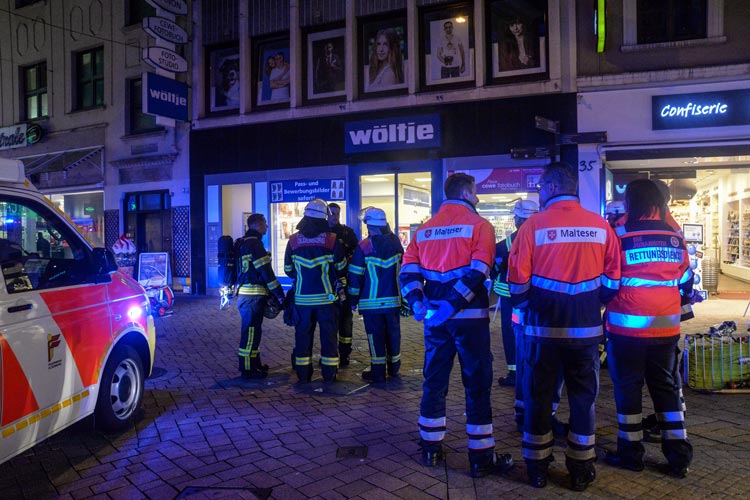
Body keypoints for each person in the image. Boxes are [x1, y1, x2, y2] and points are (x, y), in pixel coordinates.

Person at [508, 162, 620, 491]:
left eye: (541, 187)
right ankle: (581, 469)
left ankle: (538, 468)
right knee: (583, 400)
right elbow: (614, 280)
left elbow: (517, 283)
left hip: (542, 334)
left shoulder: (532, 227)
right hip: (585, 333)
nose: (539, 193)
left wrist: (532, 308)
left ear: (553, 187)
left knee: (539, 399)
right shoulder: (600, 226)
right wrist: (592, 303)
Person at [400, 173, 514, 478]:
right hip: (470, 321)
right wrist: (454, 303)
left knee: (434, 381)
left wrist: (418, 304)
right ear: (466, 193)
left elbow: (408, 272)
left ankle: (430, 447)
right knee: (476, 385)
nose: (477, 198)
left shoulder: (424, 229)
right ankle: (480, 457)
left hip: (435, 321)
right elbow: (479, 271)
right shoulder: (480, 226)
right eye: (475, 192)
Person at [603, 179, 693, 478]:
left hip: (626, 328)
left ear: (630, 202)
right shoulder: (674, 236)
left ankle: (631, 454)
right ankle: (678, 456)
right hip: (666, 327)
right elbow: (685, 282)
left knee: (628, 389)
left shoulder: (619, 233)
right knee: (665, 388)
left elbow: (610, 280)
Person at [284, 198, 347, 383]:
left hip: (302, 300)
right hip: (327, 300)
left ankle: (303, 375)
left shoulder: (294, 240)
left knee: (302, 337)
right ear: (323, 218)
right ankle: (329, 374)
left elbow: (288, 270)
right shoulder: (332, 239)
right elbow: (341, 267)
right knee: (329, 338)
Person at [348, 207, 403, 383]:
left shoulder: (363, 246)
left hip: (371, 303)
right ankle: (394, 368)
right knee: (393, 334)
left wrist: (352, 300)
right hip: (393, 300)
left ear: (368, 225)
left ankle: (378, 372)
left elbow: (355, 276)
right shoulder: (396, 243)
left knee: (375, 336)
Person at [491, 199, 538, 388]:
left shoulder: (503, 246)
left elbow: (493, 269)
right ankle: (535, 369)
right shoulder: (542, 239)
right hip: (536, 295)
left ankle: (514, 372)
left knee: (511, 334)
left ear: (517, 219)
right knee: (535, 331)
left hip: (510, 296)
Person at [234, 214, 286, 379]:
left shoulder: (243, 242)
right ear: (256, 225)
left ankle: (255, 364)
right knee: (250, 333)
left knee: (254, 332)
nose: (267, 226)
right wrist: (279, 294)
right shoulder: (255, 244)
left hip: (247, 295)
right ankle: (247, 369)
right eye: (264, 223)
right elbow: (266, 272)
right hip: (253, 296)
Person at [328, 203, 359, 366]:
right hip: (326, 286)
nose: (335, 217)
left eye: (337, 214)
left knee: (346, 320)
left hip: (344, 284)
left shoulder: (347, 233)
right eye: (332, 213)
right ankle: (330, 352)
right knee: (329, 321)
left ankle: (345, 354)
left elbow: (356, 254)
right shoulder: (320, 234)